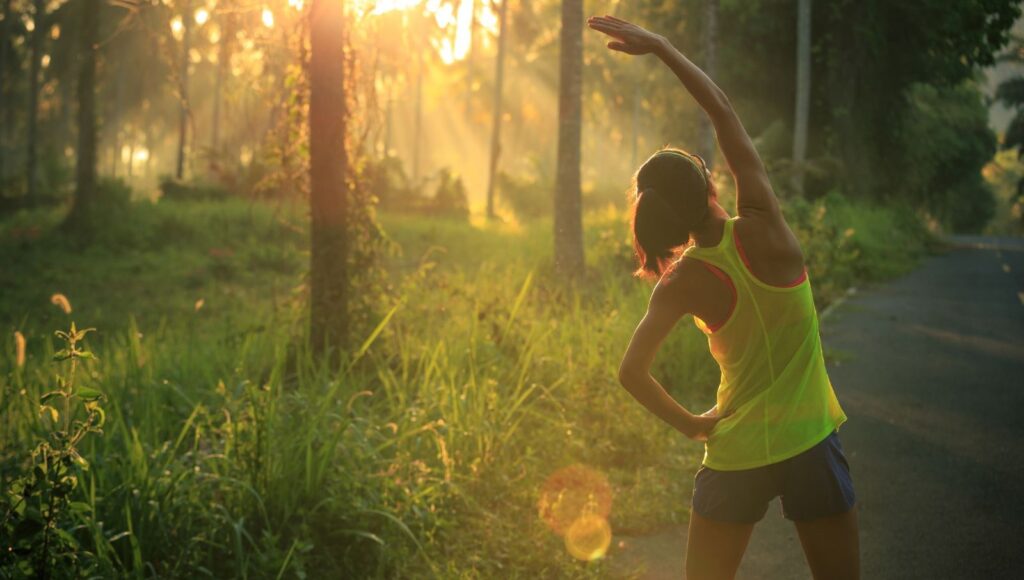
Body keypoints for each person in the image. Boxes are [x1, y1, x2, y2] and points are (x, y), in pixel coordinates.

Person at [587, 15, 859, 580]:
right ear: (711, 184)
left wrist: (692, 424)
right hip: (810, 441)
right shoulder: (765, 226)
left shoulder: (679, 282)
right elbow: (723, 111)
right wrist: (662, 46)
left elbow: (631, 371)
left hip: (735, 454)